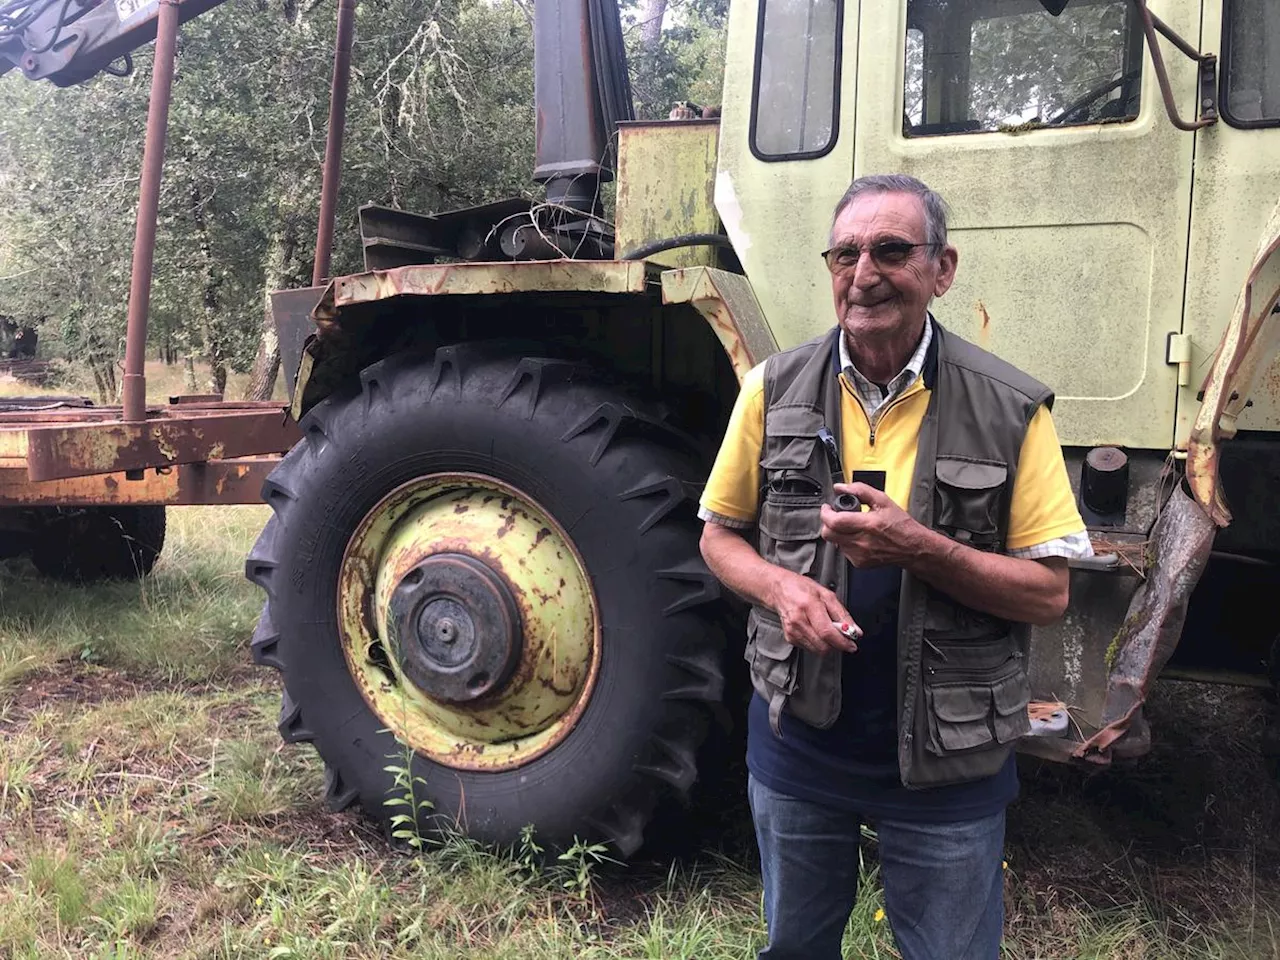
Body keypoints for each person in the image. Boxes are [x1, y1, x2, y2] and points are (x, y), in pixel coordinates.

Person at [697, 174, 1090, 960]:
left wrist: (924, 549)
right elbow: (717, 537)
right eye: (846, 252)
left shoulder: (1011, 408)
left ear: (942, 270)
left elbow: (1049, 594)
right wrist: (780, 586)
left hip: (950, 766)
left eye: (891, 250)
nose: (864, 272)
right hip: (798, 747)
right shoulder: (771, 391)